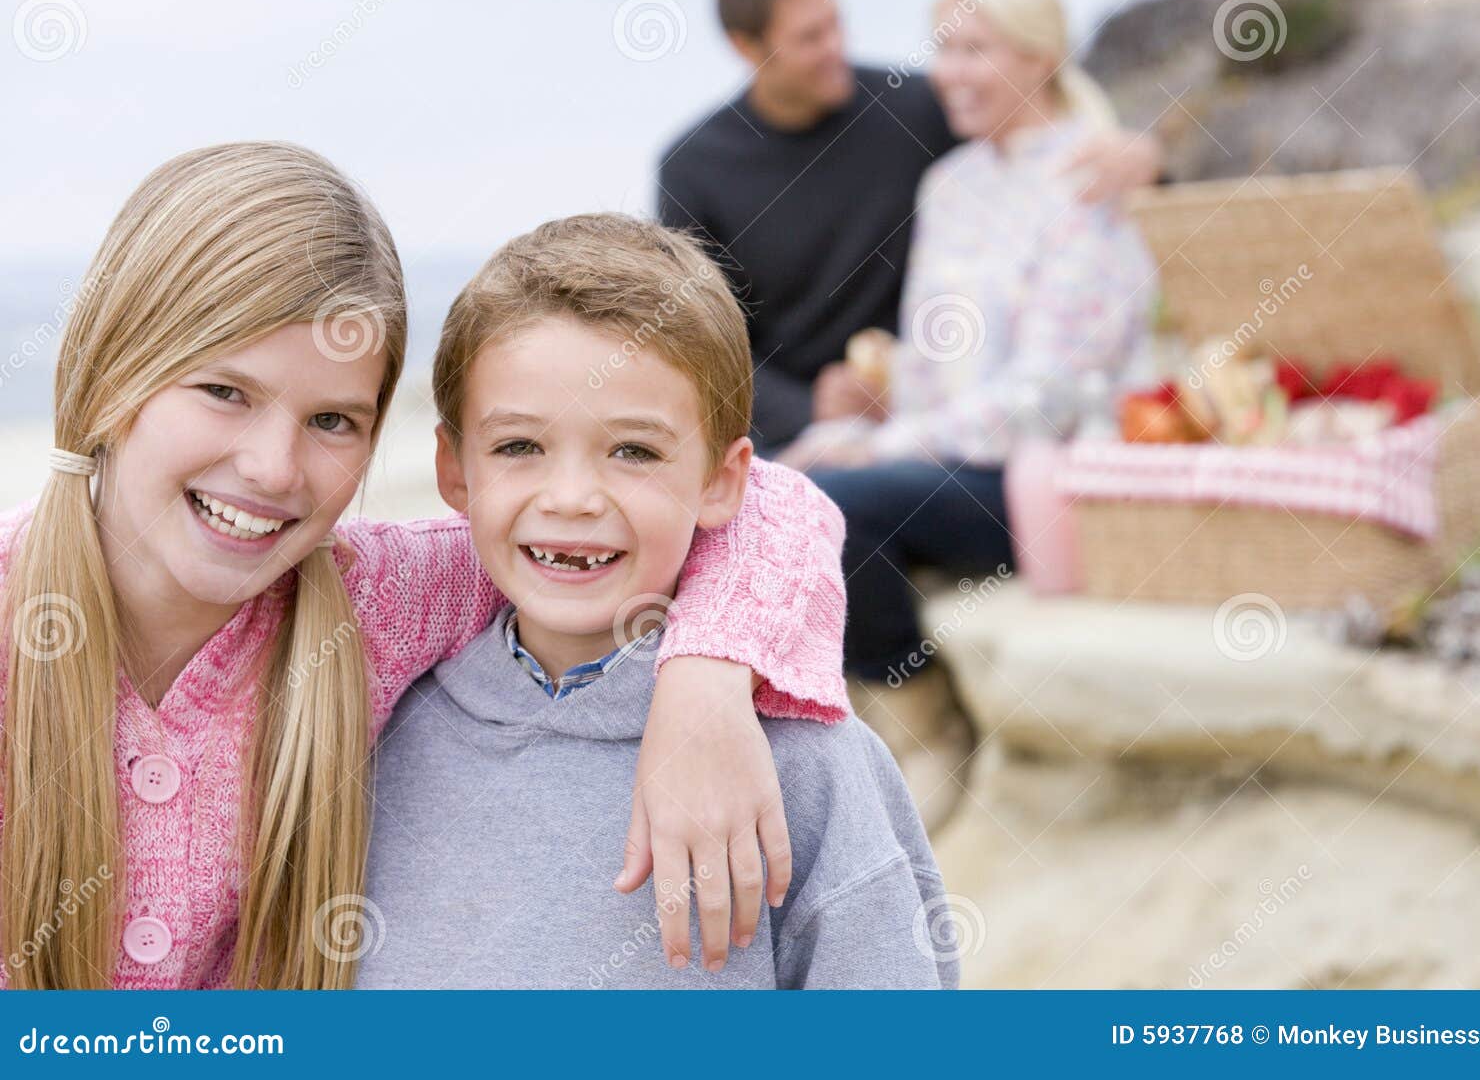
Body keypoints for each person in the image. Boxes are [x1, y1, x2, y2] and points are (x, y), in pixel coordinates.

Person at [0, 143, 851, 989]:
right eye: (225, 392)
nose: (272, 467)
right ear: (113, 368)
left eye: (332, 420)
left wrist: (705, 682)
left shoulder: (374, 598)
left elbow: (764, 504)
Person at [358, 214, 956, 988]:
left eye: (633, 450)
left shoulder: (807, 767)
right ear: (455, 470)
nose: (571, 497)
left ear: (722, 481)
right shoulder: (376, 732)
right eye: (519, 446)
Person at [784, 0, 1160, 828]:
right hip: (948, 455)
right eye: (944, 49)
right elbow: (929, 357)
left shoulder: (1089, 178)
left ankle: (929, 728)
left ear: (1040, 57)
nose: (948, 71)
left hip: (1042, 476)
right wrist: (863, 421)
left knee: (830, 501)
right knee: (774, 479)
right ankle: (840, 723)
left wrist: (878, 451)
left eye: (973, 50)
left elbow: (1051, 396)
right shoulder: (949, 184)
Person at [658, 0, 1160, 453]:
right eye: (810, 37)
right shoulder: (695, 168)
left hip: (923, 429)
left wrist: (1150, 160)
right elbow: (699, 345)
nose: (836, 47)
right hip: (786, 426)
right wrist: (806, 409)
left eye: (836, 23)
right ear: (747, 47)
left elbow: (1032, 116)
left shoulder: (916, 111)